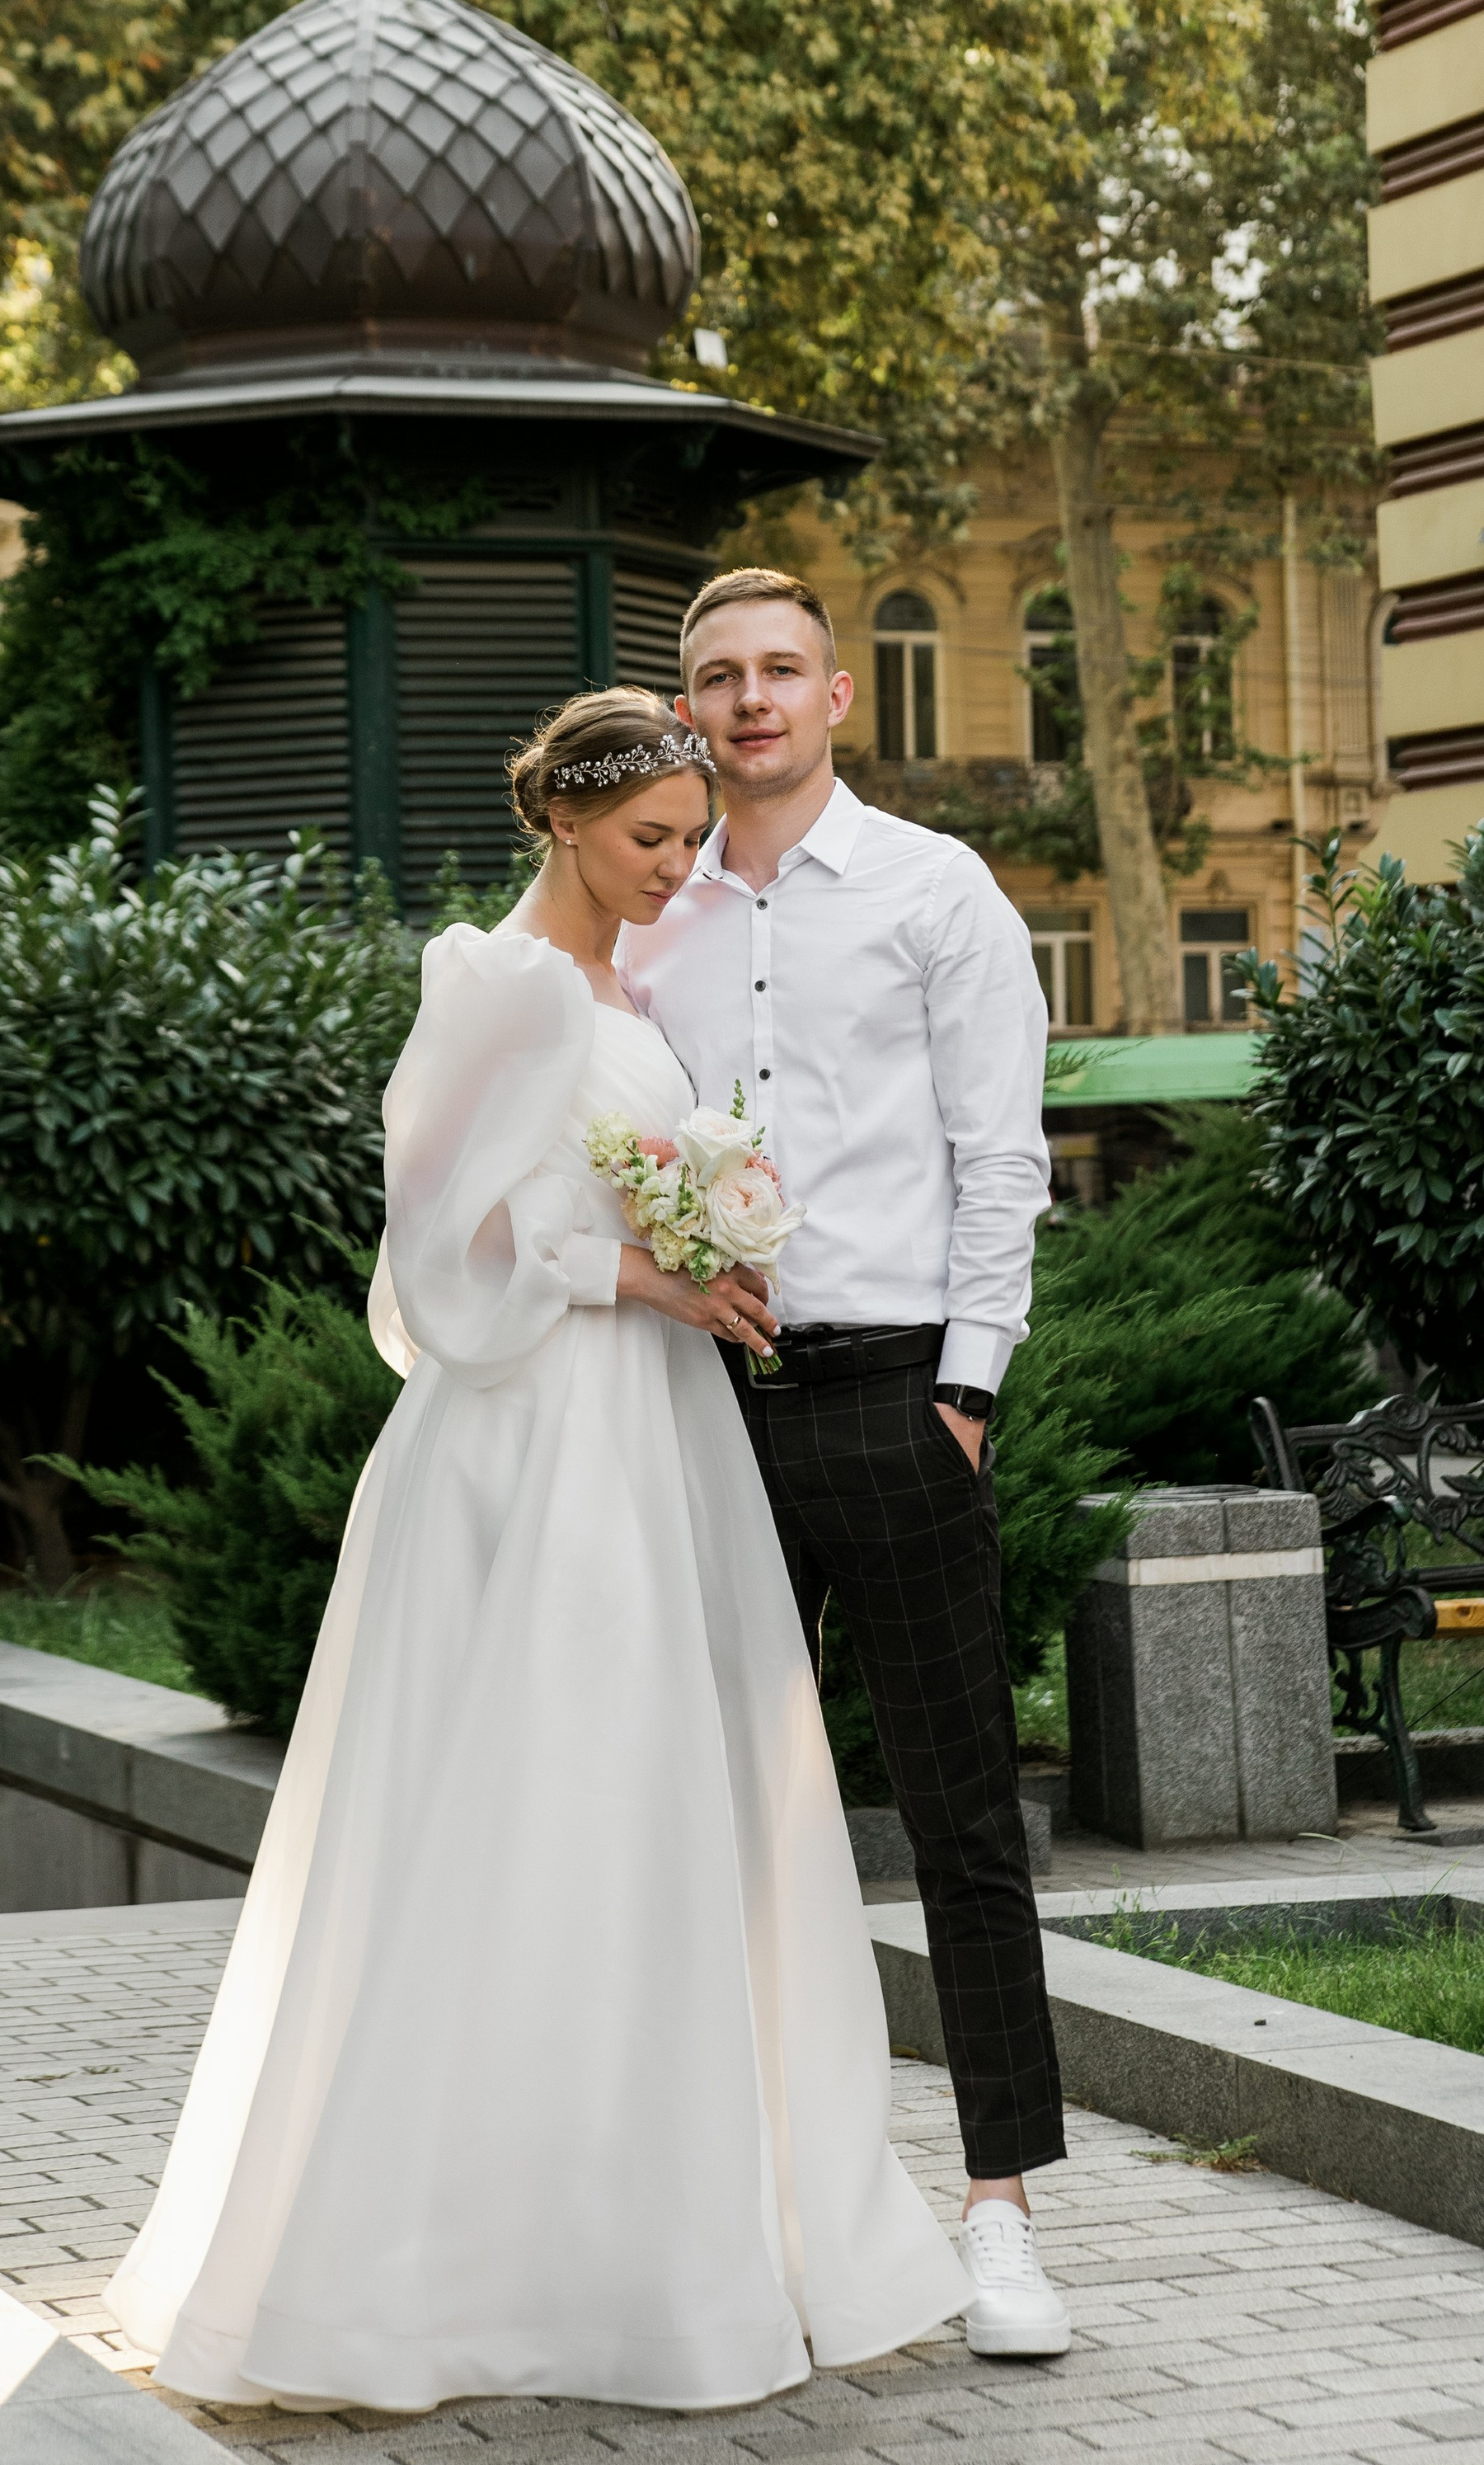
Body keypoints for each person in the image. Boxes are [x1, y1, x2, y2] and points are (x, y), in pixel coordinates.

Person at [107, 684, 965, 2413]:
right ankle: (435, 2271)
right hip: (532, 1443)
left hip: (650, 1436)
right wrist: (639, 1273)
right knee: (529, 1802)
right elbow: (436, 1240)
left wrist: (704, 1248)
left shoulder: (621, 988)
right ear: (561, 821)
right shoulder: (491, 980)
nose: (673, 866)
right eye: (647, 838)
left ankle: (650, 2237)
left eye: (686, 840)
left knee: (654, 1818)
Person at [620, 567, 1071, 2359]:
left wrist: (965, 1393)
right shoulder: (644, 916)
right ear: (687, 706)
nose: (747, 701)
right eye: (715, 675)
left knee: (960, 1819)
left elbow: (1000, 1156)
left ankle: (998, 2219)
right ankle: (754, 2211)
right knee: (715, 1825)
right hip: (696, 1410)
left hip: (896, 1401)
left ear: (832, 700)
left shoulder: (929, 888)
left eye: (778, 672)